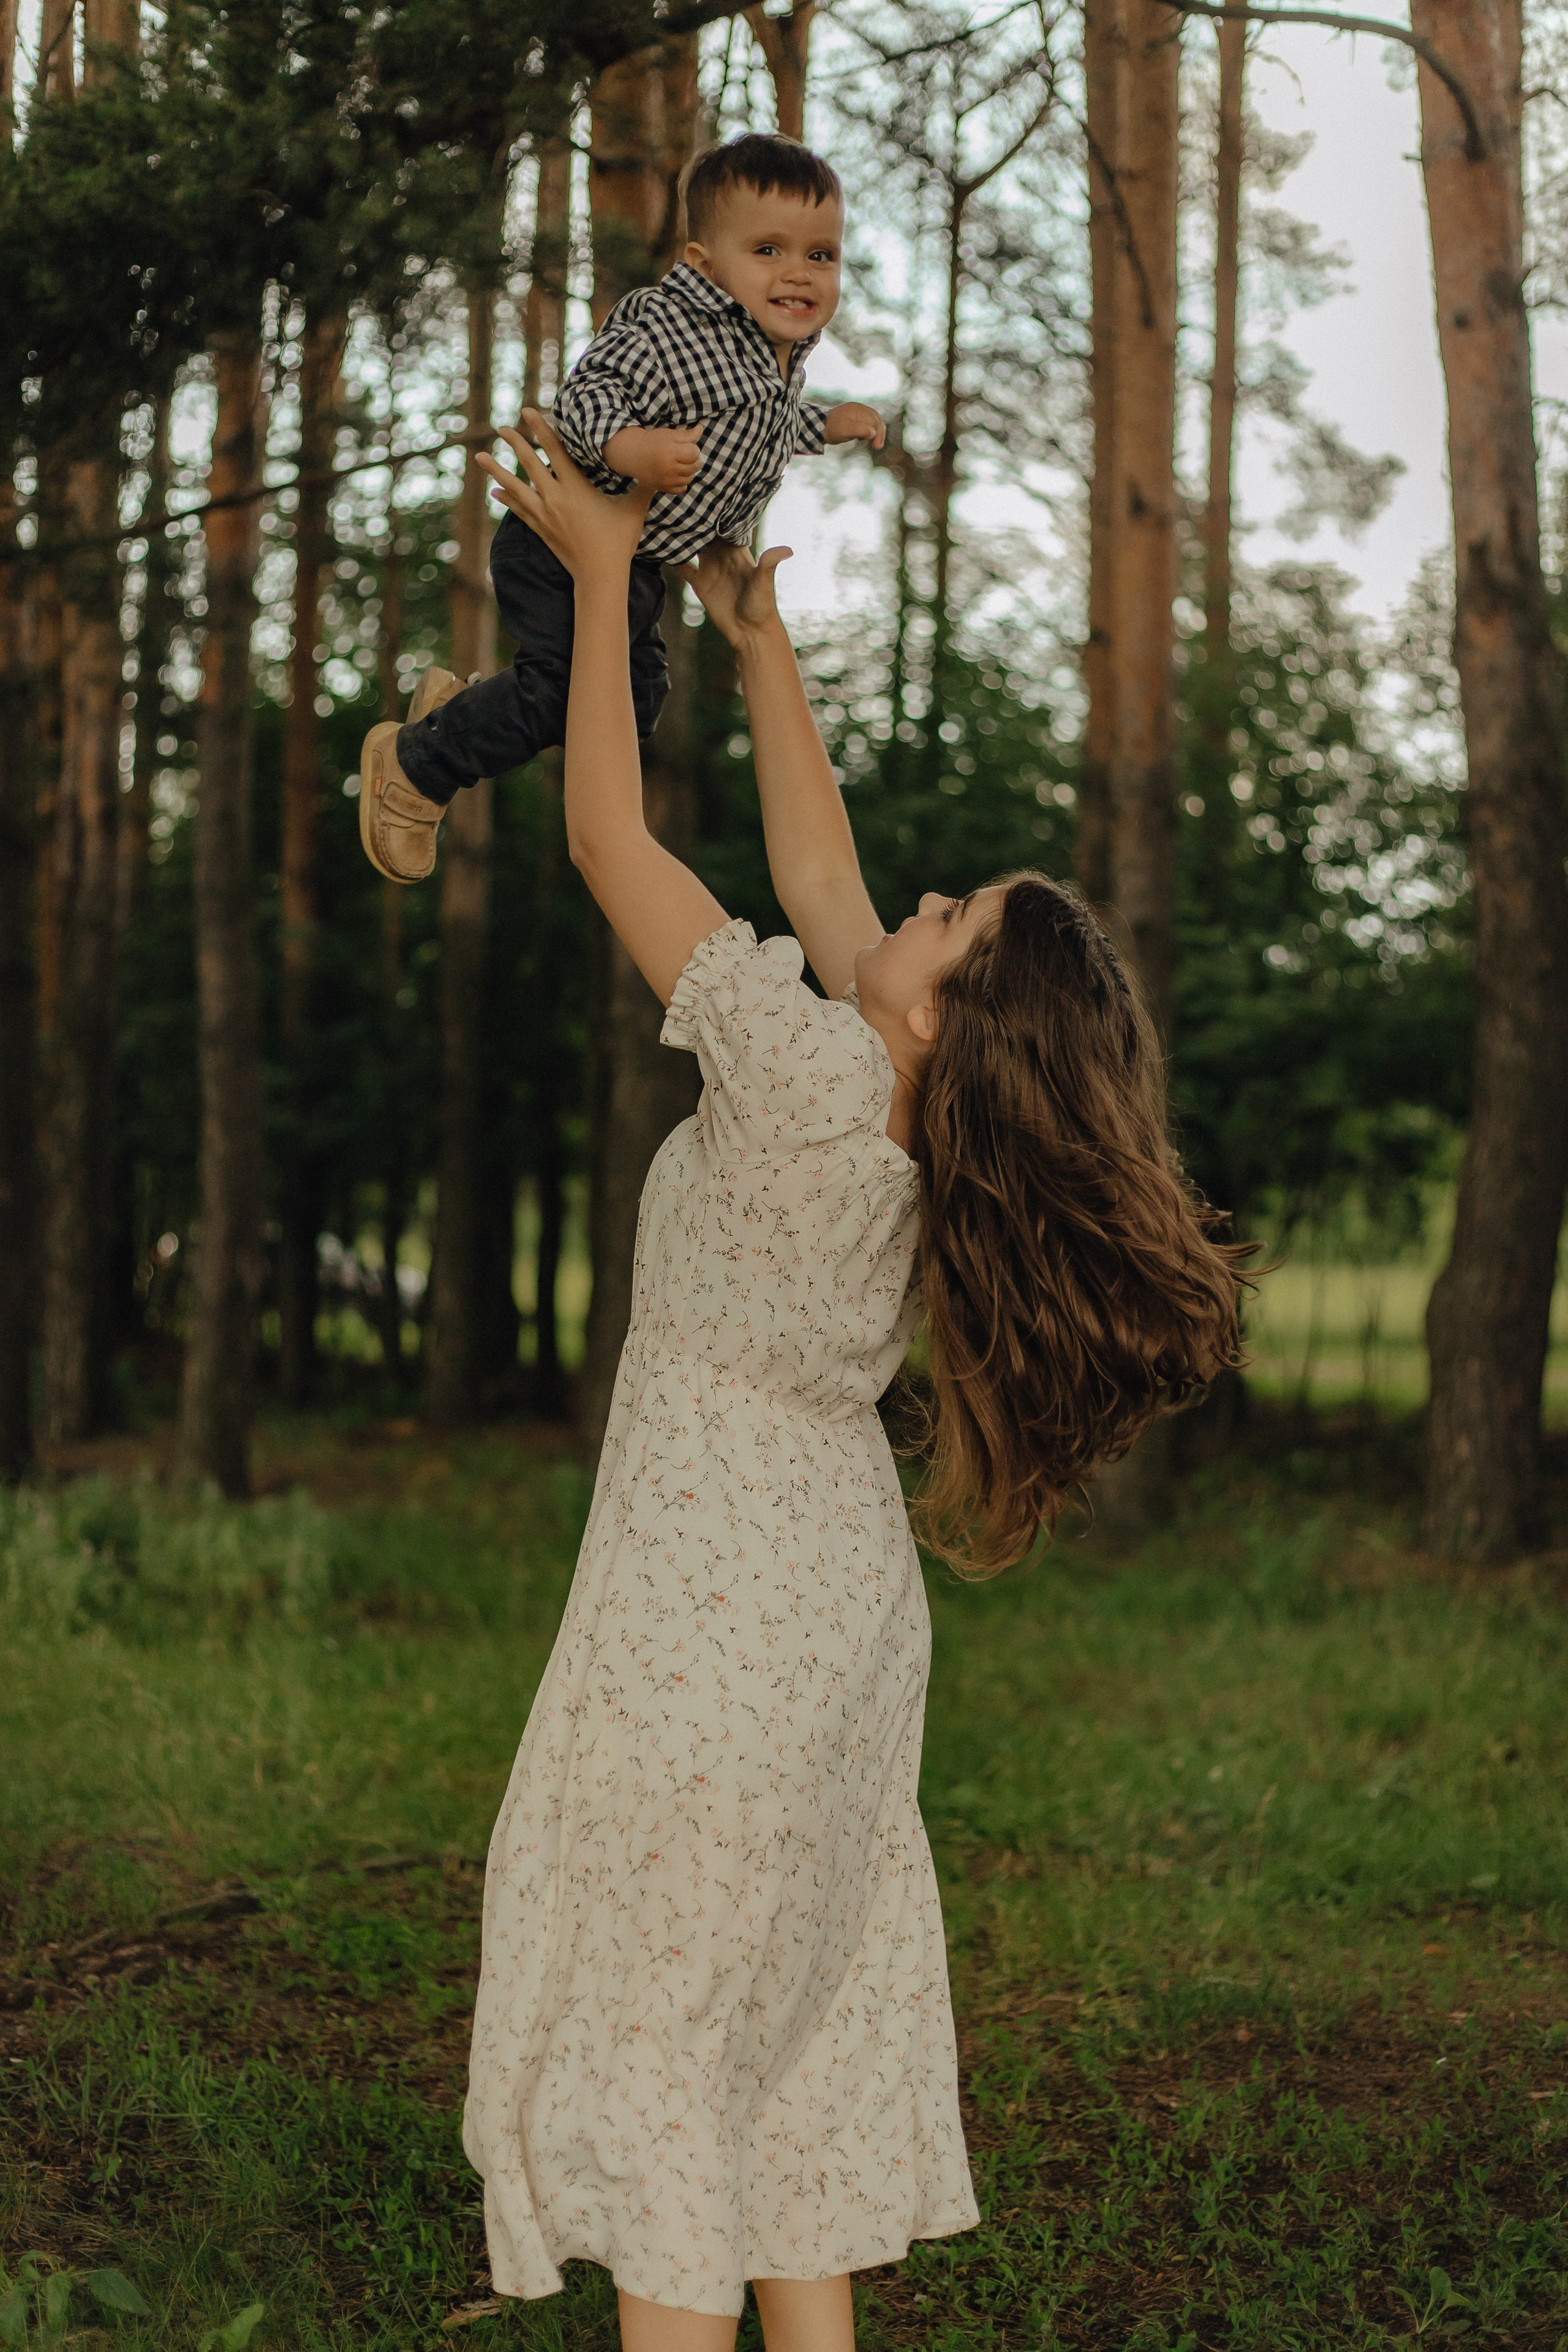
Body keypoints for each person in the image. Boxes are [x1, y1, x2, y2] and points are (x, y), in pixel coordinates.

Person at [459, 412, 1248, 2352]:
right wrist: (750, 634)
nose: (914, 903)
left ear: (946, 1002)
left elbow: (602, 841)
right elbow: (824, 881)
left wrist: (587, 576)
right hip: (827, 1611)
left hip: (704, 1614)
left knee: (662, 2025)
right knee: (780, 2051)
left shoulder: (806, 1072)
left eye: (950, 916)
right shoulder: (917, 1124)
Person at [358, 133, 884, 886]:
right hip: (562, 542)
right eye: (768, 250)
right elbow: (589, 394)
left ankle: (462, 712)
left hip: (634, 562)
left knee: (628, 714)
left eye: (820, 255)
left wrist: (826, 425)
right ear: (705, 265)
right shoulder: (672, 324)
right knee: (560, 691)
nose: (799, 273)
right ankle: (416, 766)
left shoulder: (775, 353)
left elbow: (763, 426)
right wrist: (632, 448)